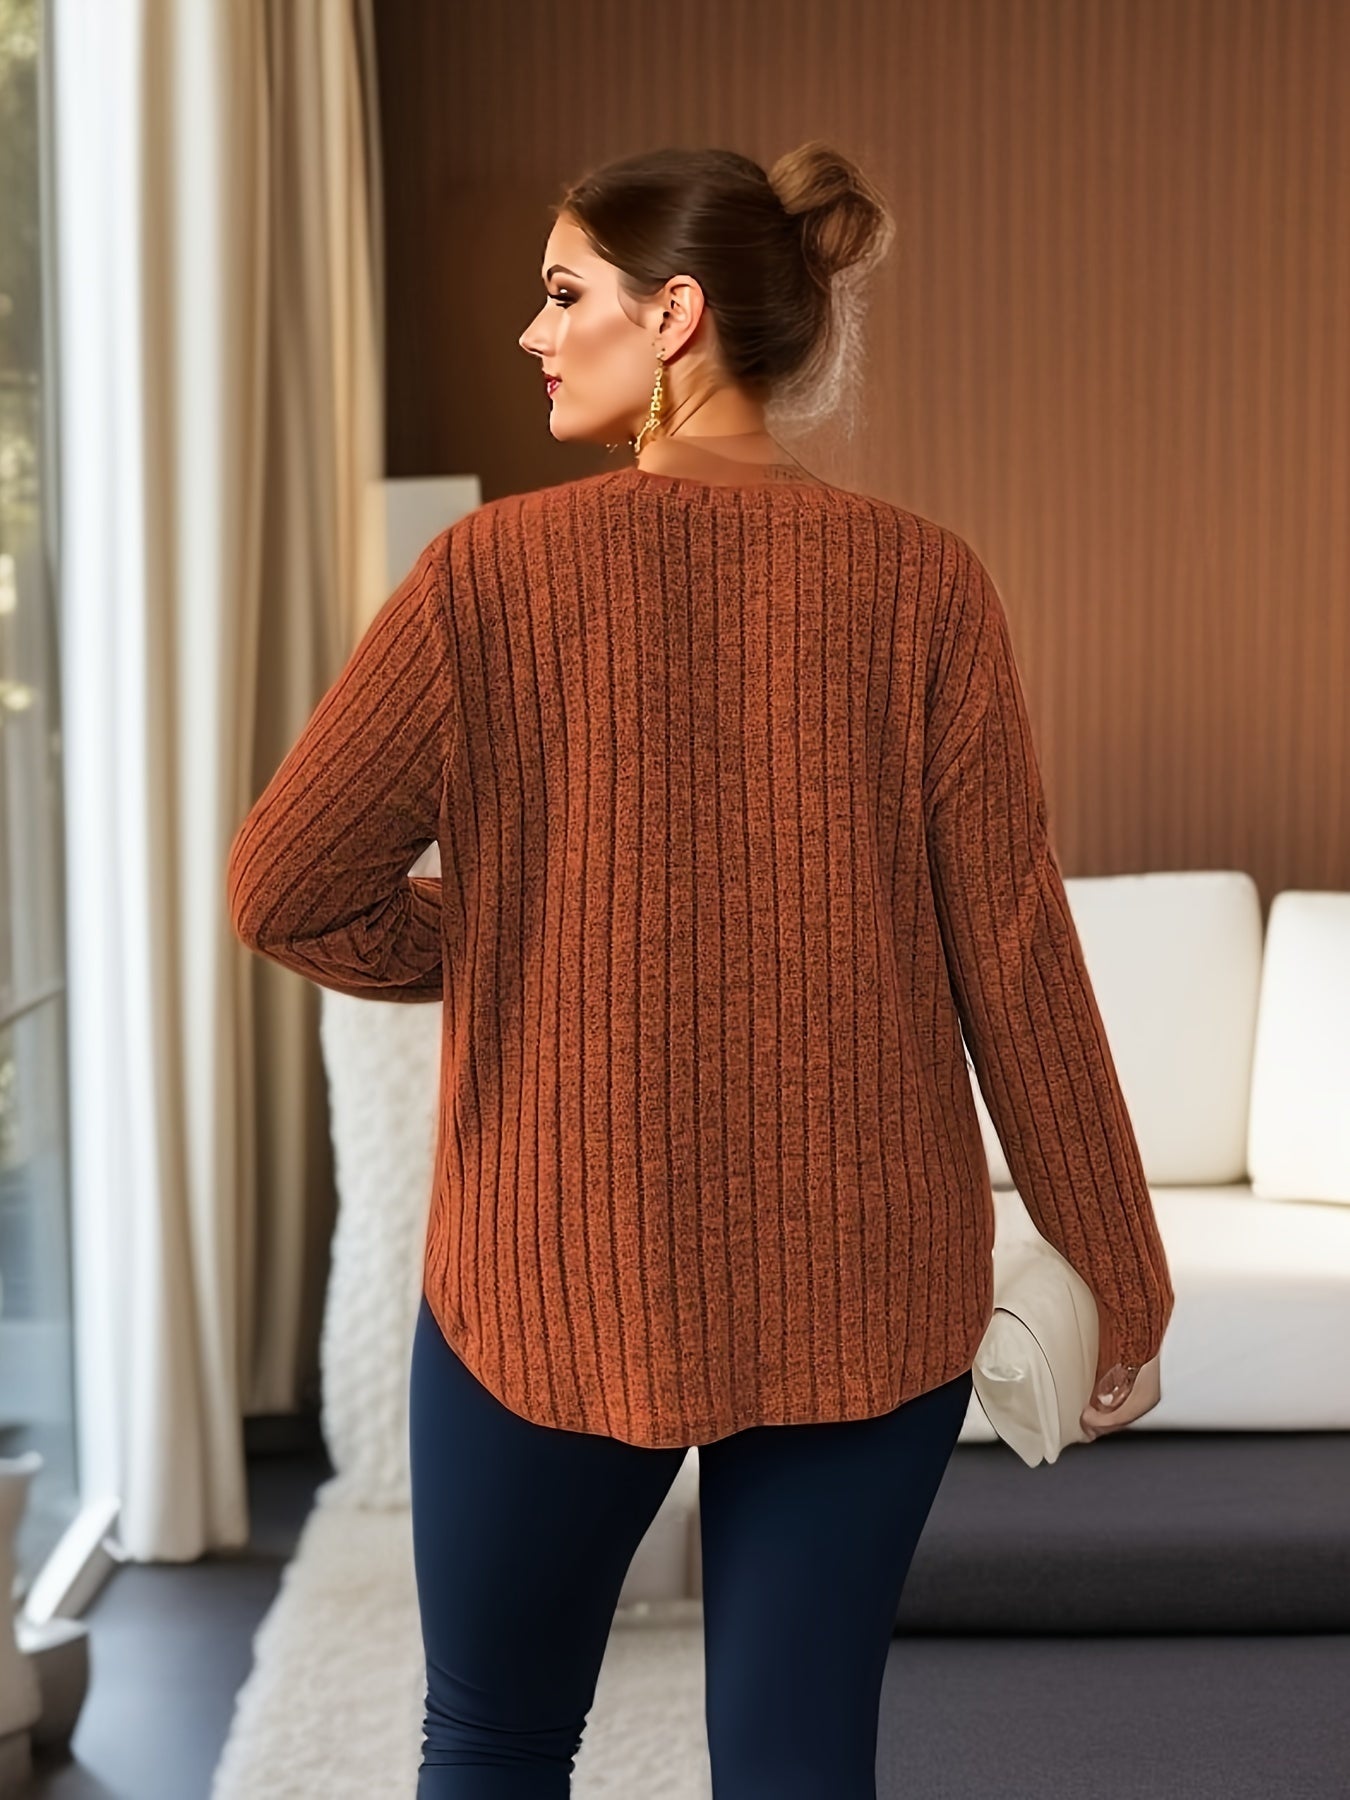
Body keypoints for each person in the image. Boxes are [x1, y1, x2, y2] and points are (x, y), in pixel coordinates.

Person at [227, 141, 1174, 1798]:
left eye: (562, 292)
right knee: (800, 1766)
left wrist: (524, 934)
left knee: (494, 1746)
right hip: (862, 1281)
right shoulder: (922, 585)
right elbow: (1013, 961)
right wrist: (1121, 1275)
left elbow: (283, 889)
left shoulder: (487, 582)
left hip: (549, 1268)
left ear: (672, 317)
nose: (532, 332)